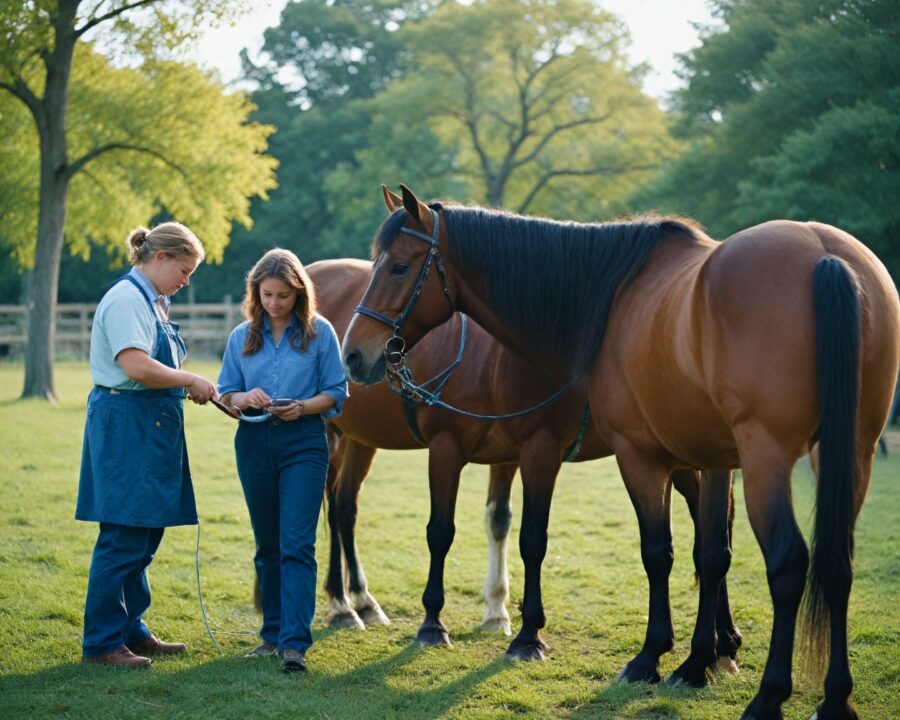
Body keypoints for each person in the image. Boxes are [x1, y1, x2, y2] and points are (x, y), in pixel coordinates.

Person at [76, 222, 217, 668]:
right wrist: (190, 379)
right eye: (184, 269)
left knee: (146, 533)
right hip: (127, 423)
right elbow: (135, 365)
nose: (186, 280)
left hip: (149, 424)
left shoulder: (154, 302)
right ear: (160, 258)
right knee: (123, 534)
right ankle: (101, 644)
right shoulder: (124, 300)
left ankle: (131, 630)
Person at [217, 248, 348, 673]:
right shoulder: (242, 337)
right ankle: (271, 635)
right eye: (267, 294)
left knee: (297, 544)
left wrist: (304, 407)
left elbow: (337, 393)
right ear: (256, 292)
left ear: (299, 294)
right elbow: (225, 393)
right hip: (254, 442)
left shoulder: (320, 332)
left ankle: (294, 644)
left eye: (283, 296)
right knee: (268, 545)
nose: (274, 303)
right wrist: (243, 397)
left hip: (305, 444)